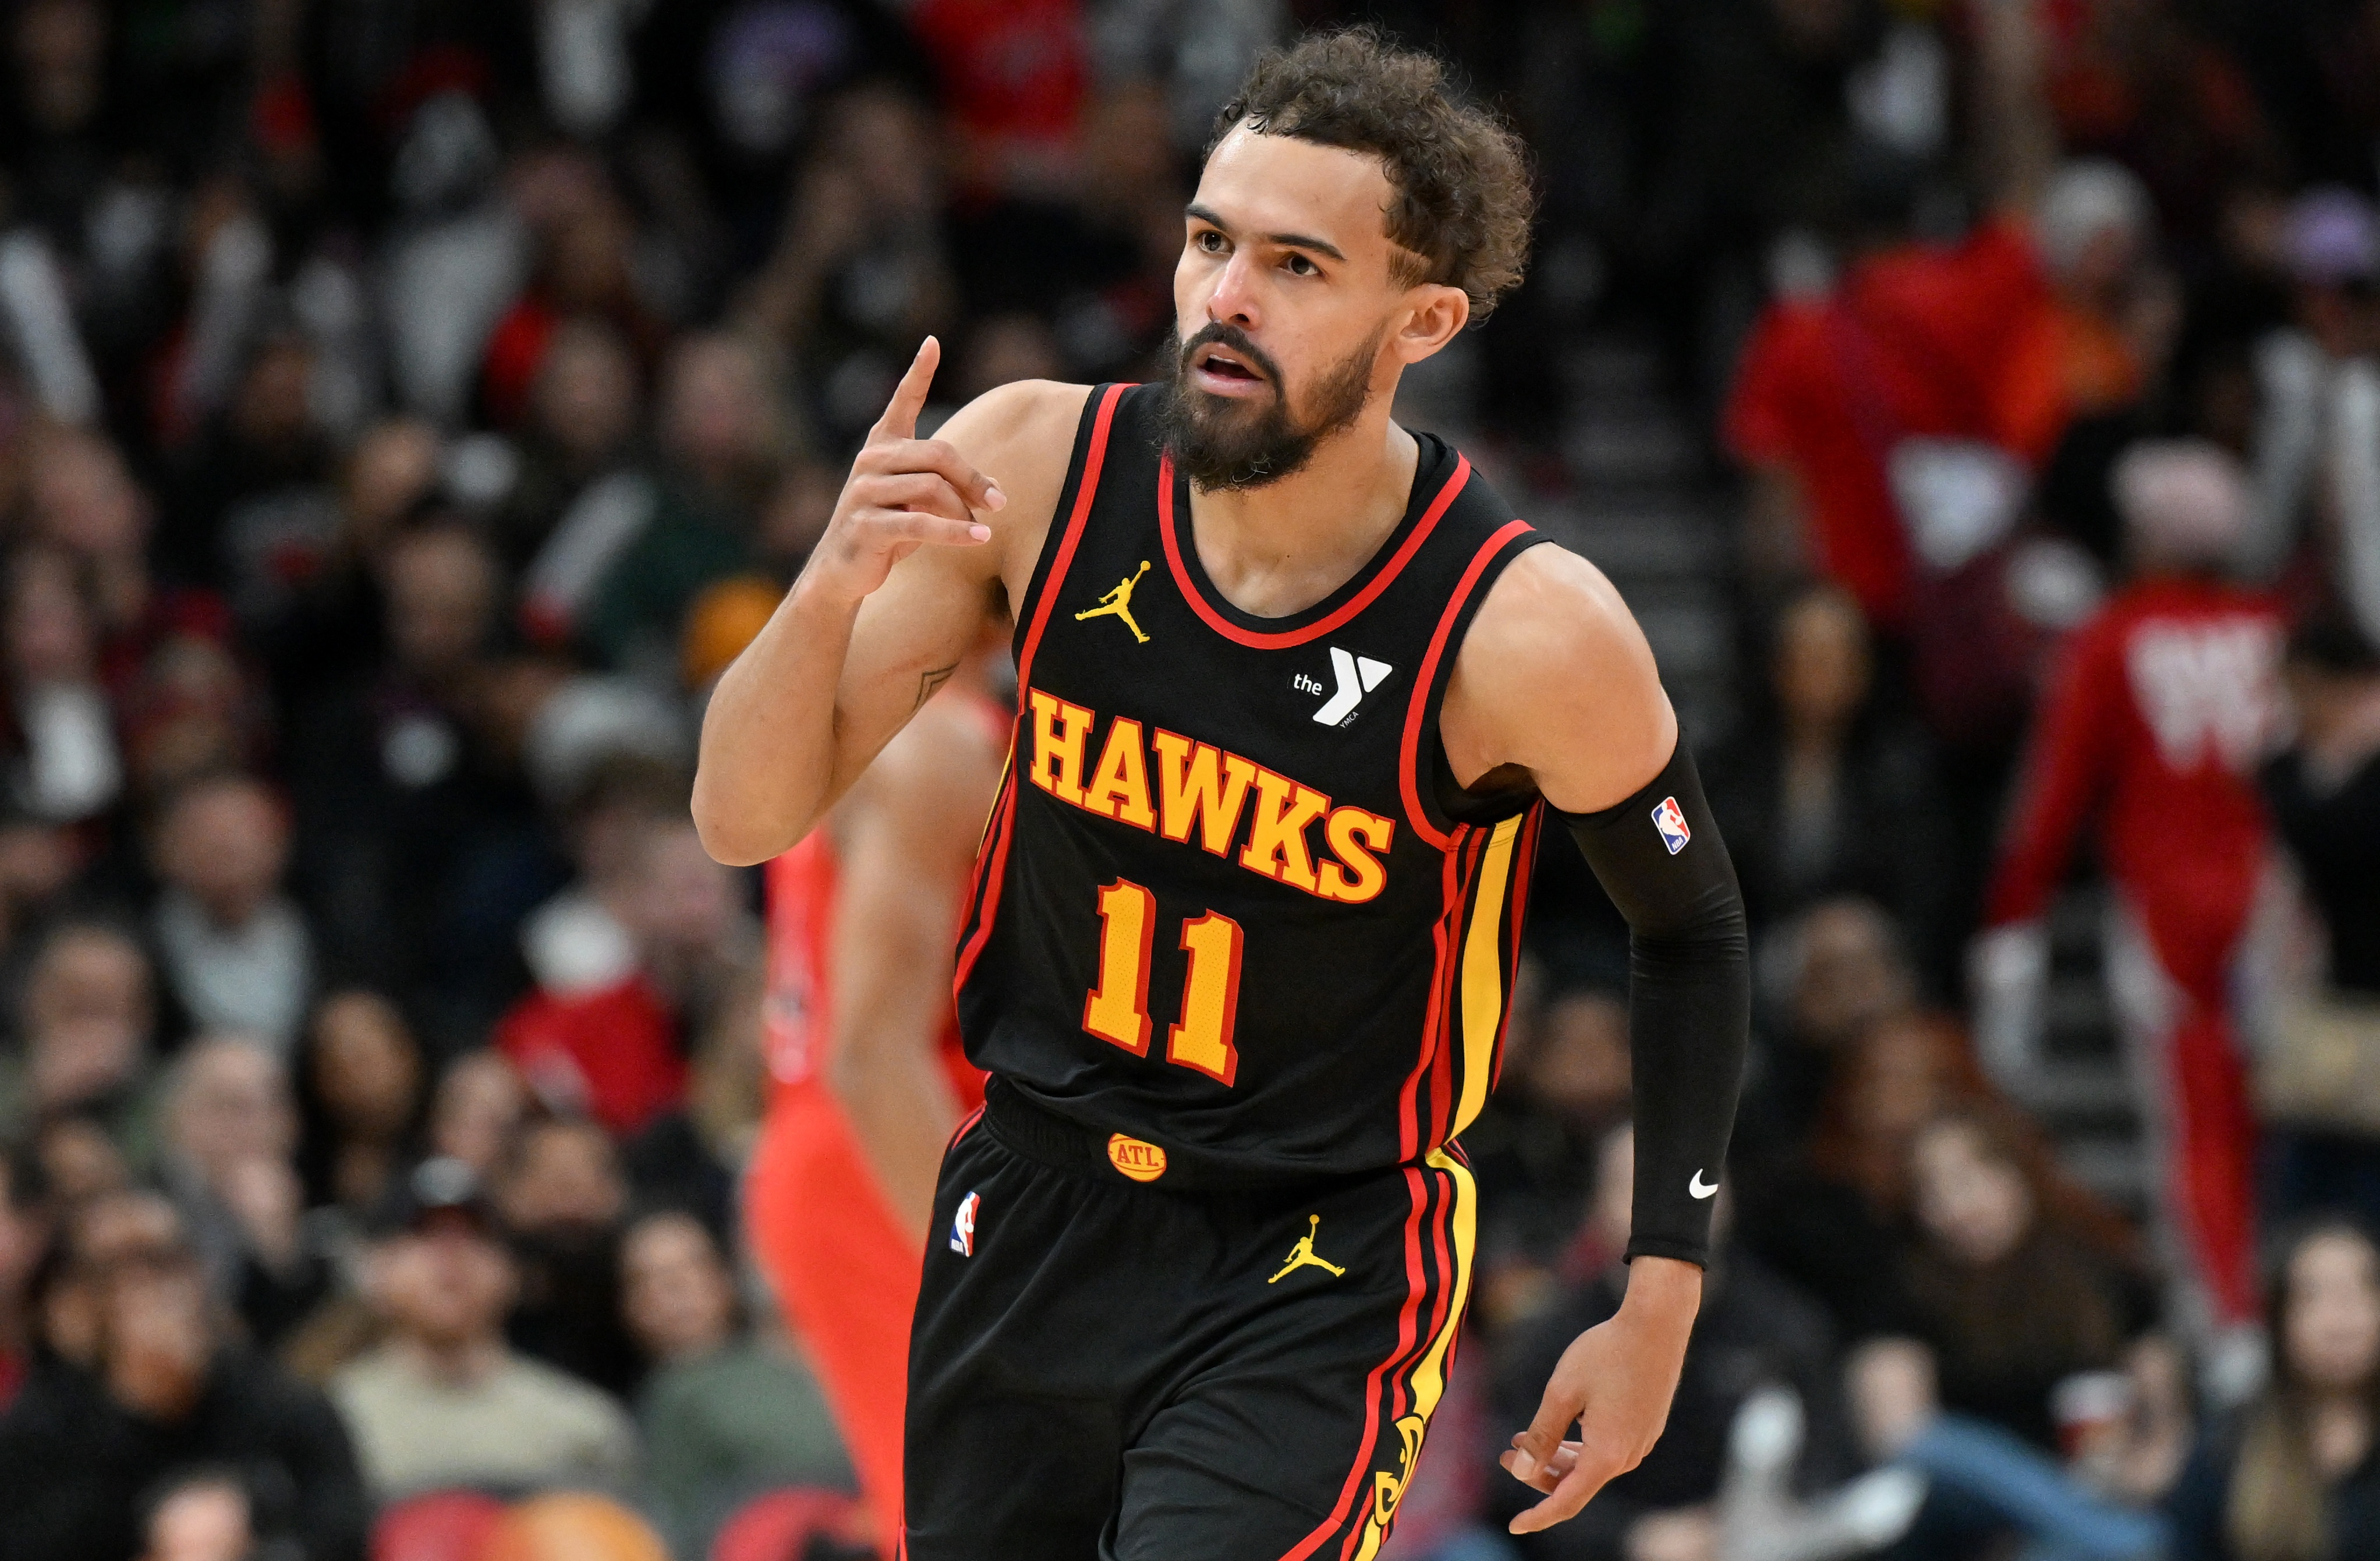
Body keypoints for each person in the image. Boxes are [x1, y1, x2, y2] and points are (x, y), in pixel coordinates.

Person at [693, 29, 1751, 1556]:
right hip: (1032, 1199)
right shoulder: (1033, 466)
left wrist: (1661, 1288)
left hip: (1312, 1257)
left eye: (1298, 265)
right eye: (1210, 241)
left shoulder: (1525, 628)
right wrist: (827, 583)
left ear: (1423, 318)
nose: (1227, 296)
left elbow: (1692, 926)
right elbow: (739, 816)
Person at [1974, 441, 2284, 1339]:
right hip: (2276, 913)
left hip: (2167, 912)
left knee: (2194, 1125)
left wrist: (2013, 916)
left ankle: (2227, 1321)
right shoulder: (2273, 626)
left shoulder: (2114, 636)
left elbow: (2054, 791)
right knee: (2273, 1119)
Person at [742, 638, 1003, 1549]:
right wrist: (1001, 1277)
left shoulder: (888, 725)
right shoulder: (936, 743)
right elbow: (872, 1056)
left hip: (873, 1143)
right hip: (894, 1150)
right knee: (977, 1520)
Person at [0, 1188, 368, 1561]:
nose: (157, 1290)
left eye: (167, 1260)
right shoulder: (38, 1439)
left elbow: (343, 1525)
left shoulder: (278, 1399)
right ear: (75, 1304)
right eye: (123, 1270)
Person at [328, 1156, 638, 1499]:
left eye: (475, 1234)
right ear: (376, 1269)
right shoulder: (334, 1420)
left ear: (512, 1271)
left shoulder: (583, 1428)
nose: (451, 1253)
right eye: (423, 1233)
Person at [621, 1209, 856, 1559]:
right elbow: (676, 1526)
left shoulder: (796, 1361)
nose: (677, 1290)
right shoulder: (679, 1394)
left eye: (693, 1268)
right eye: (649, 1280)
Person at [2168, 1217, 2380, 1560]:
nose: (2341, 1319)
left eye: (2361, 1291)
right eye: (2313, 1296)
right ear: (2279, 1320)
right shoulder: (2226, 1447)